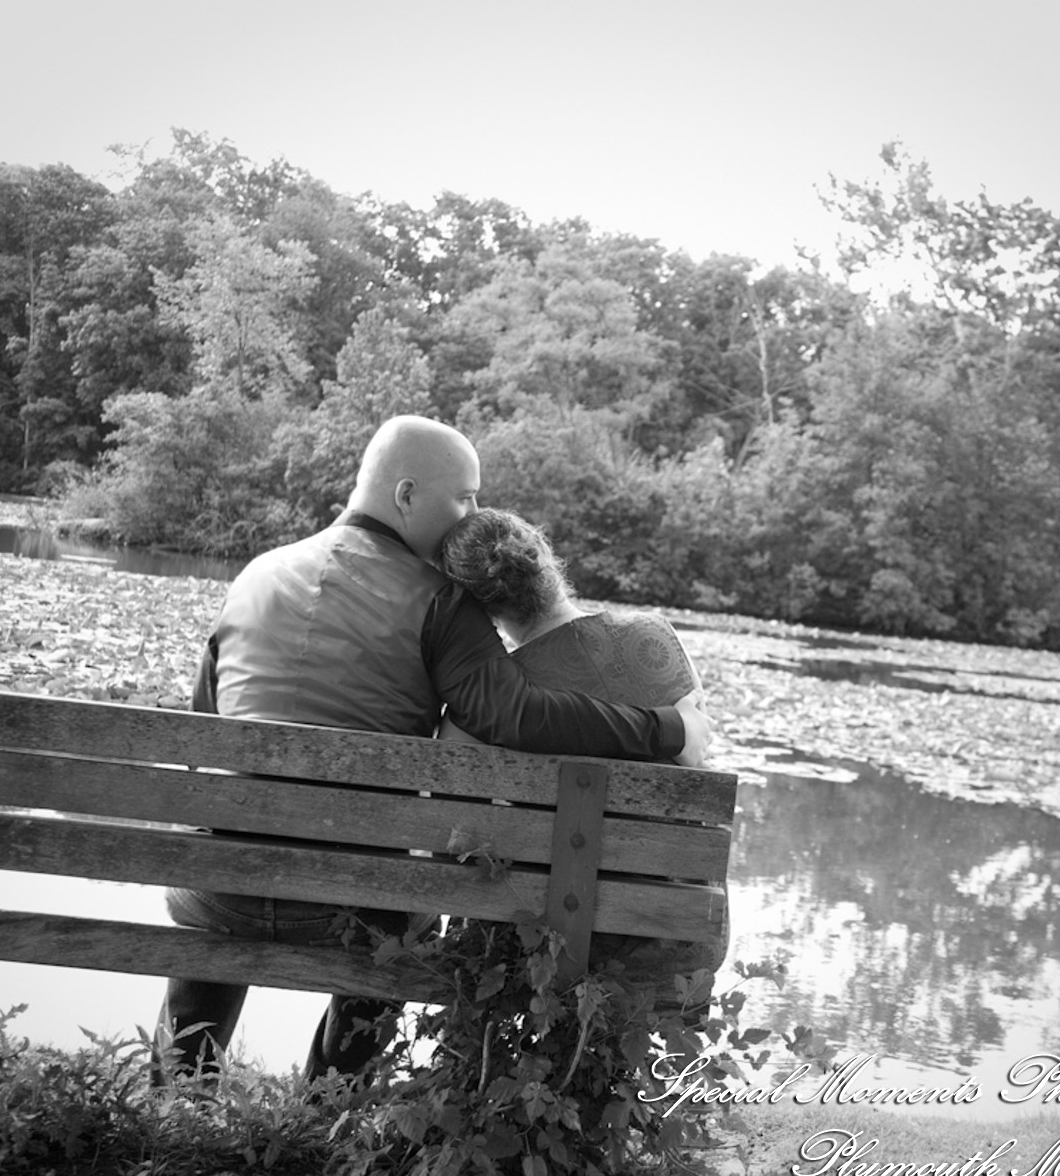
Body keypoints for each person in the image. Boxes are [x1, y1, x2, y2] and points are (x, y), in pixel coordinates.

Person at [155, 416, 712, 1084]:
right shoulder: (441, 603)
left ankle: (179, 1087)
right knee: (410, 910)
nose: (473, 513)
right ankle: (331, 1107)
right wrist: (668, 729)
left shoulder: (255, 574)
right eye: (465, 497)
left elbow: (201, 729)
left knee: (220, 870)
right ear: (407, 494)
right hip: (344, 907)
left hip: (220, 891)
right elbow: (514, 713)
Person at [436, 507, 727, 997]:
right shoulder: (653, 638)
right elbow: (696, 761)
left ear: (479, 611)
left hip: (532, 944)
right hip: (675, 933)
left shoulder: (481, 708)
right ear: (546, 558)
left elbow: (456, 834)